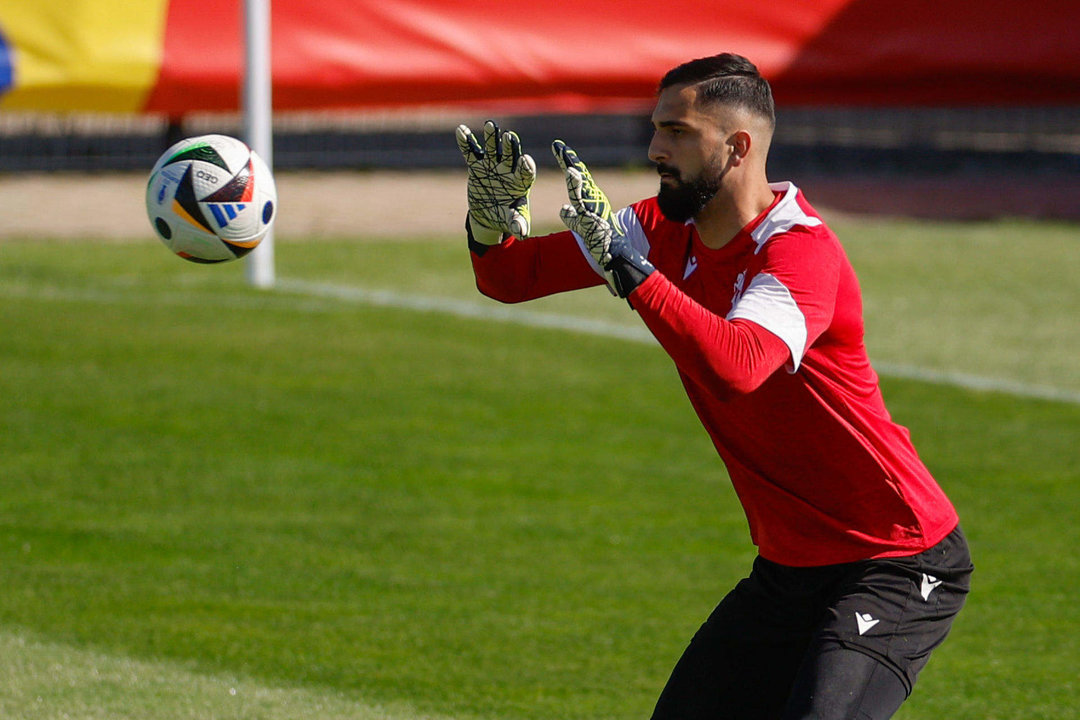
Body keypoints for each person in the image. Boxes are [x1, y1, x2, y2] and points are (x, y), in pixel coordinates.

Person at [454, 53, 972, 720]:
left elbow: (737, 365)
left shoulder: (799, 251)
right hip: (791, 566)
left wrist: (633, 274)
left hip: (897, 558)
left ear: (737, 147)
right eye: (656, 129)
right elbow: (510, 278)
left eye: (677, 132)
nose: (654, 149)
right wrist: (488, 226)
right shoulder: (656, 231)